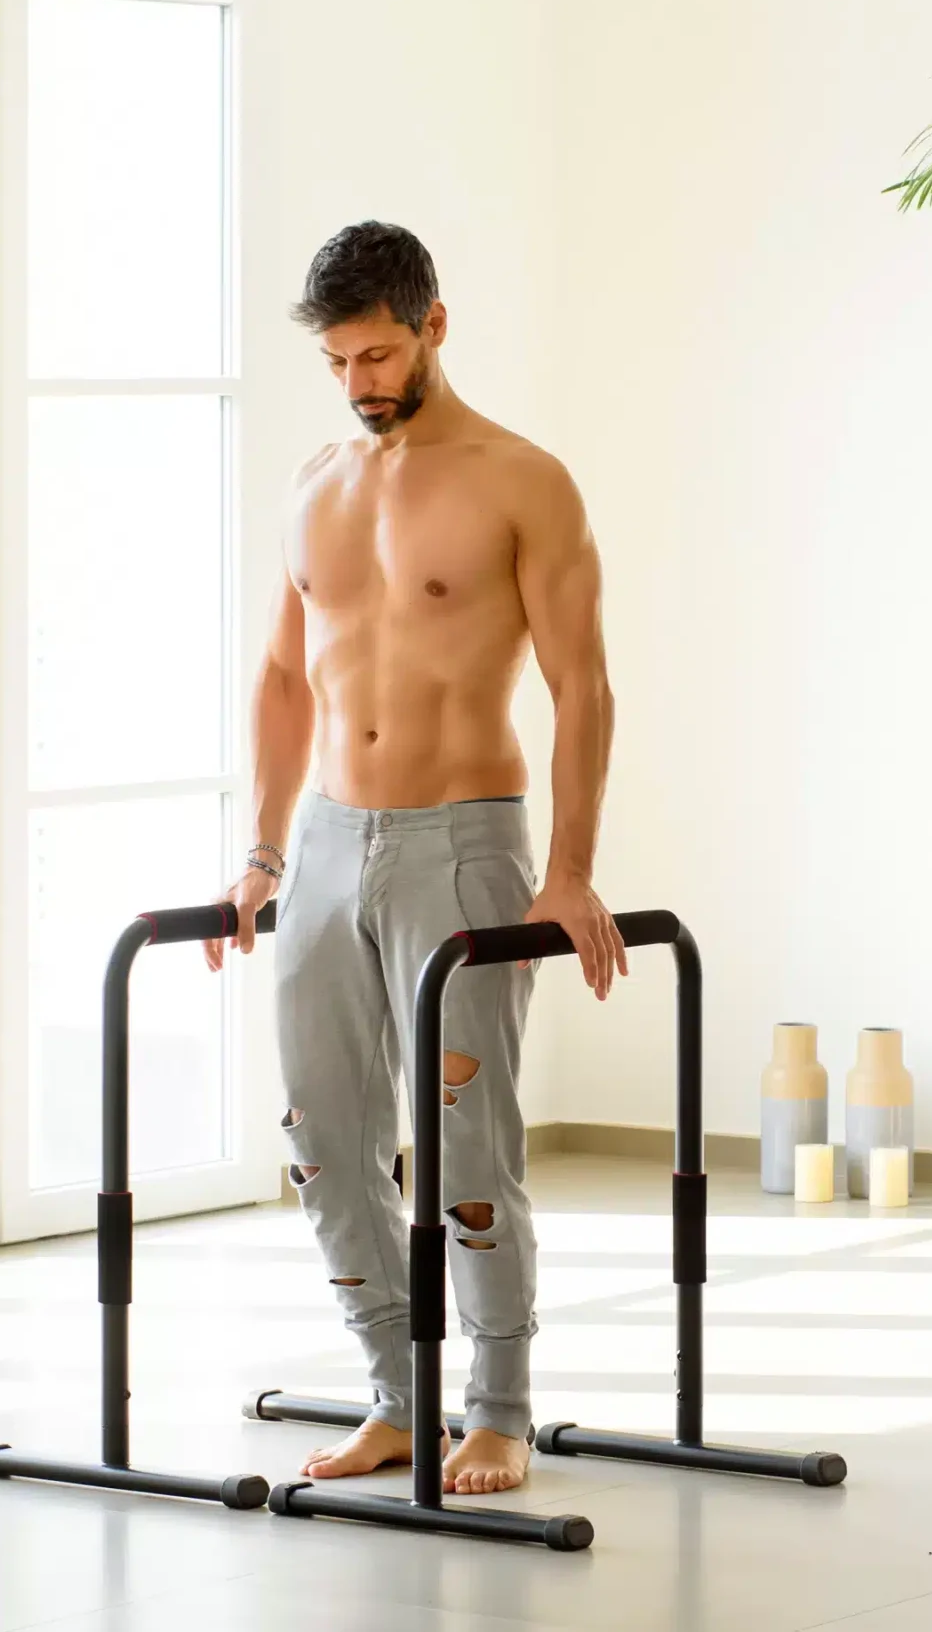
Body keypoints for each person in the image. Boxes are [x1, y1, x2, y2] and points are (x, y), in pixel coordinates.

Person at [204, 221, 622, 1496]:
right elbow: (284, 674)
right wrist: (263, 851)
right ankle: (402, 1393)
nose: (359, 382)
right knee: (323, 1135)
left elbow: (582, 684)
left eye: (378, 353)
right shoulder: (316, 481)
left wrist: (570, 869)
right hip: (327, 839)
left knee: (463, 1140)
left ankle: (496, 1407)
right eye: (338, 360)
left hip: (462, 837)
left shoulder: (522, 479)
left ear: (434, 324)